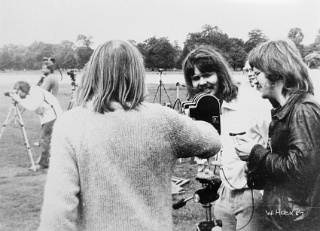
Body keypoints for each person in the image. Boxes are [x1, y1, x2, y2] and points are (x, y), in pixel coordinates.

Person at [37, 40, 222, 231]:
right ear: (137, 74)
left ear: (92, 73)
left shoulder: (70, 124)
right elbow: (212, 142)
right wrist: (203, 109)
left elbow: (58, 211)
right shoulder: (163, 120)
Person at [182, 45, 271, 231]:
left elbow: (276, 146)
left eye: (207, 75)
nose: (202, 82)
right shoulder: (206, 108)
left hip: (252, 195)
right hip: (223, 193)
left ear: (221, 73)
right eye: (196, 78)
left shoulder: (252, 101)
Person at [235, 39, 320, 230]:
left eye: (257, 73)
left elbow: (301, 171)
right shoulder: (287, 109)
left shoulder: (302, 110)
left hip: (298, 223)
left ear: (276, 72)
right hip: (284, 219)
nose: (254, 80)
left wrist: (255, 153)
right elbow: (283, 168)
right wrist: (256, 166)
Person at [8, 81, 63, 170]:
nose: (18, 94)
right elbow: (26, 104)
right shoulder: (30, 92)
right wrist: (17, 101)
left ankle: (43, 163)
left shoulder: (36, 92)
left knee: (44, 139)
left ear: (22, 90)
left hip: (53, 116)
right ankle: (48, 160)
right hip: (47, 117)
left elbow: (33, 107)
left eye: (18, 92)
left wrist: (19, 99)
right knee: (48, 139)